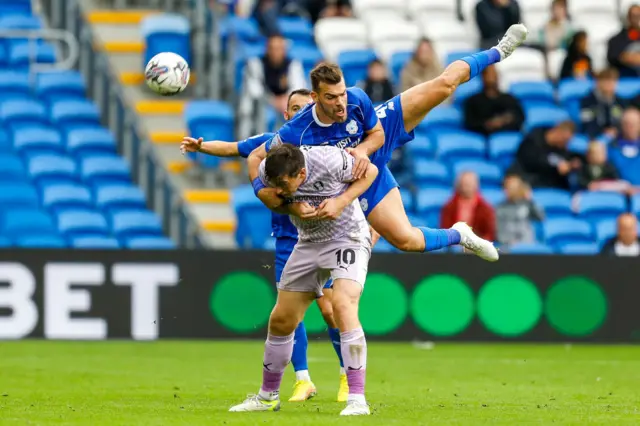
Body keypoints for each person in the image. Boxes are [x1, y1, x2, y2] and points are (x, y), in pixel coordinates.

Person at [248, 24, 530, 261]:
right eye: (332, 98)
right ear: (315, 97)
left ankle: (497, 51)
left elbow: (378, 135)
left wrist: (361, 150)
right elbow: (255, 158)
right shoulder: (295, 131)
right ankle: (460, 234)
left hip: (374, 141)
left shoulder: (356, 98)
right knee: (406, 241)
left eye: (342, 94)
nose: (341, 103)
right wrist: (264, 194)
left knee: (443, 85)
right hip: (356, 178)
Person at [181, 89, 348, 403]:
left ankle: (346, 376)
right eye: (294, 108)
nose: (300, 113)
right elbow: (234, 148)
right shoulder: (273, 144)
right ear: (287, 115)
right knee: (288, 312)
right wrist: (202, 147)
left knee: (330, 309)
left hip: (326, 236)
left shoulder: (329, 149)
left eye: (305, 108)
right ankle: (302, 380)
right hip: (289, 239)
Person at [229, 144, 378, 416]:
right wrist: (291, 208)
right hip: (308, 242)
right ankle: (267, 396)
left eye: (286, 184)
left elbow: (372, 172)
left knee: (343, 306)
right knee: (281, 319)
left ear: (303, 173)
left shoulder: (331, 161)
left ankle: (357, 399)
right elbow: (266, 194)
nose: (281, 190)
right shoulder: (269, 168)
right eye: (276, 184)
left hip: (348, 238)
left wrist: (341, 201)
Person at [510, 120, 581, 189]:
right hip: (527, 178)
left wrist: (571, 166)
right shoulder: (533, 139)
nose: (566, 143)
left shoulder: (562, 150)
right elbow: (529, 161)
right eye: (564, 139)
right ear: (557, 132)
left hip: (551, 186)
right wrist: (555, 167)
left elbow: (568, 162)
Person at [244, 35, 306, 114]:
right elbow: (254, 90)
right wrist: (273, 101)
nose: (275, 52)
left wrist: (286, 99)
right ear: (267, 50)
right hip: (262, 105)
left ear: (284, 50)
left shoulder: (293, 65)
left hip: (285, 103)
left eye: (278, 49)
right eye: (272, 48)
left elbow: (299, 87)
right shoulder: (256, 64)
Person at [463, 65, 525, 136]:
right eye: (489, 73)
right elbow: (469, 123)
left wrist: (504, 121)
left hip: (508, 135)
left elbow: (520, 118)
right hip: (483, 137)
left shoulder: (510, 99)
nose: (492, 76)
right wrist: (489, 124)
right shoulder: (472, 101)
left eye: (494, 73)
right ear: (483, 76)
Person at [441, 172, 496, 242]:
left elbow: (489, 234)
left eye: (469, 184)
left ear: (476, 185)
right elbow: (445, 231)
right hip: (454, 246)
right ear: (459, 185)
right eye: (464, 184)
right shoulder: (449, 207)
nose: (467, 187)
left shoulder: (485, 209)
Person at [495, 175, 544, 247]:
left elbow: (541, 217)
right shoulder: (500, 208)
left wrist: (530, 200)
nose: (511, 190)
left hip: (527, 244)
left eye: (515, 188)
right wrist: (509, 242)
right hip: (508, 246)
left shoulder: (527, 204)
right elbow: (499, 231)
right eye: (509, 188)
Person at [580, 68, 625, 139]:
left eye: (613, 80)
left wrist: (616, 130)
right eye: (606, 80)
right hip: (595, 137)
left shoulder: (620, 101)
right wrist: (603, 133)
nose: (610, 84)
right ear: (598, 82)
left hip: (617, 137)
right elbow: (587, 123)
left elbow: (623, 121)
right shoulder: (588, 101)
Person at [607, 108, 640, 185]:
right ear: (621, 125)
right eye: (627, 124)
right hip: (618, 192)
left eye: (634, 124)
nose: (631, 128)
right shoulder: (611, 148)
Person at [607, 4, 640, 78]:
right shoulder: (616, 40)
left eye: (638, 16)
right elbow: (612, 57)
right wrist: (625, 58)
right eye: (633, 16)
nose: (636, 19)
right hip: (624, 79)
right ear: (628, 17)